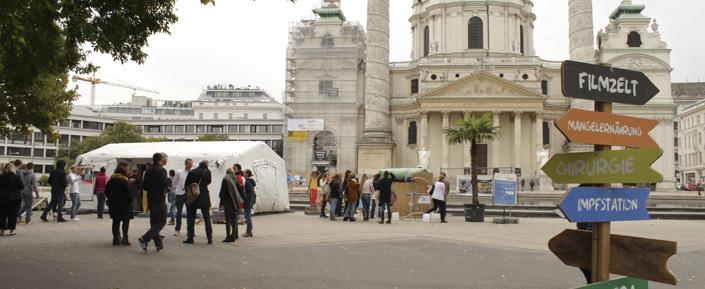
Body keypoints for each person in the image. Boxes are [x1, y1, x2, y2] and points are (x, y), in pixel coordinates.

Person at [138, 153, 170, 252]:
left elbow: (144, 186)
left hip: (151, 198)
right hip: (160, 198)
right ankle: (145, 238)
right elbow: (163, 183)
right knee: (161, 221)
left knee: (154, 222)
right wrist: (169, 181)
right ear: (161, 160)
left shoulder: (148, 170)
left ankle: (158, 244)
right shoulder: (162, 170)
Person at [184, 160, 213, 244]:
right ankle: (209, 238)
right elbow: (209, 182)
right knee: (207, 218)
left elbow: (186, 183)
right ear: (206, 165)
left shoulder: (192, 172)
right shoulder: (207, 172)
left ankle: (190, 237)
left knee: (191, 218)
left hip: (194, 196)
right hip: (204, 196)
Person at [105, 162, 134, 246]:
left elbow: (106, 191)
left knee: (115, 221)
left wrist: (111, 198)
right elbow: (129, 194)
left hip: (113, 204)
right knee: (125, 221)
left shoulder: (111, 180)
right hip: (124, 205)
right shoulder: (124, 181)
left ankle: (116, 239)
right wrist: (131, 201)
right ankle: (125, 239)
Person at [0, 163, 25, 236]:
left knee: (2, 214)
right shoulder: (16, 176)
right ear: (12, 168)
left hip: (2, 198)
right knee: (13, 215)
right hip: (14, 198)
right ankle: (12, 230)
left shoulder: (1, 176)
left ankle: (2, 230)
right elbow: (22, 186)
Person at [220, 168, 243, 243]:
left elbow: (222, 192)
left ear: (227, 172)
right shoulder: (235, 179)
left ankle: (228, 237)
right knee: (234, 220)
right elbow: (239, 189)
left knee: (228, 220)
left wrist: (221, 201)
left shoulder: (225, 179)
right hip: (236, 202)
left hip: (228, 202)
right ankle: (234, 235)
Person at [172, 158, 193, 236]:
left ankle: (189, 230)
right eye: (189, 164)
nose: (190, 165)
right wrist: (175, 191)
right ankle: (177, 229)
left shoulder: (192, 172)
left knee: (190, 213)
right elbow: (174, 182)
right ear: (186, 164)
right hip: (180, 194)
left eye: (191, 164)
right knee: (179, 212)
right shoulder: (179, 172)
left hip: (189, 195)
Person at [242, 169, 257, 237]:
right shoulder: (248, 181)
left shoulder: (247, 182)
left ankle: (249, 231)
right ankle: (249, 231)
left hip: (248, 201)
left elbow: (250, 193)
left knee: (247, 217)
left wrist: (246, 200)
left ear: (247, 174)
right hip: (249, 201)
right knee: (247, 216)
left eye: (244, 172)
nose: (243, 173)